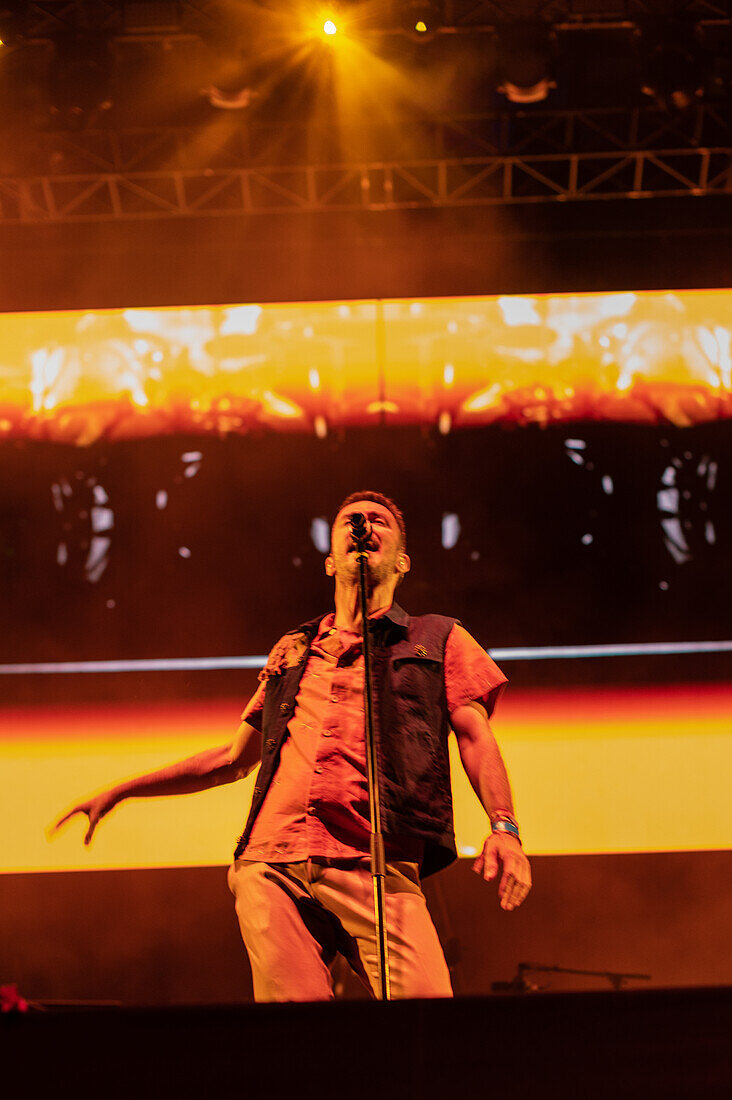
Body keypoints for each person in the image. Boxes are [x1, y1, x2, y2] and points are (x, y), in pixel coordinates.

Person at [54, 490, 531, 1001]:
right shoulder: (294, 649)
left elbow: (476, 734)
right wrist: (124, 790)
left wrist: (504, 826)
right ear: (330, 559)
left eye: (379, 521)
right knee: (295, 1038)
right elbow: (232, 758)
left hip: (375, 863)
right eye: (351, 520)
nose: (364, 526)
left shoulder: (438, 638)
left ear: (403, 559)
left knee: (428, 1021)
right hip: (270, 865)